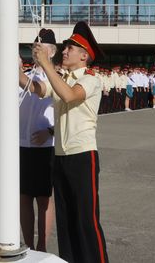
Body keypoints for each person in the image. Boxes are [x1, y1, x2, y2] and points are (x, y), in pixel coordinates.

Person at [23, 21, 108, 263]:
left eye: (70, 48)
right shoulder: (63, 78)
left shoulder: (90, 79)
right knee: (66, 221)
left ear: (84, 56)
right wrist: (15, 67)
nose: (65, 51)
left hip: (82, 156)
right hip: (60, 156)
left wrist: (47, 64)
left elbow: (70, 95)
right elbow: (37, 88)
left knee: (86, 220)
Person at [18, 29, 57, 252]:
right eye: (34, 47)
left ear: (52, 52)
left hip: (45, 145)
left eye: (40, 47)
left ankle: (42, 246)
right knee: (24, 197)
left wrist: (50, 132)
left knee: (44, 198)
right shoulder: (25, 74)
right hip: (22, 144)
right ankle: (29, 245)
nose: (35, 50)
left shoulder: (57, 77)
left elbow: (65, 113)